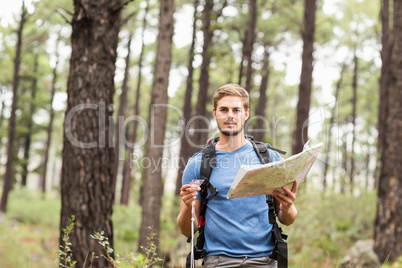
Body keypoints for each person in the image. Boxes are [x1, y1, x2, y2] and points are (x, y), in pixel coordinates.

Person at [177, 83, 298, 267]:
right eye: (224, 109)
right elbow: (187, 230)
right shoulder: (198, 164)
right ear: (214, 112)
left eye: (236, 110)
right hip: (218, 261)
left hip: (265, 260)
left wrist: (288, 207)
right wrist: (187, 206)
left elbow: (287, 219)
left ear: (246, 114)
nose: (230, 115)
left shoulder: (270, 158)